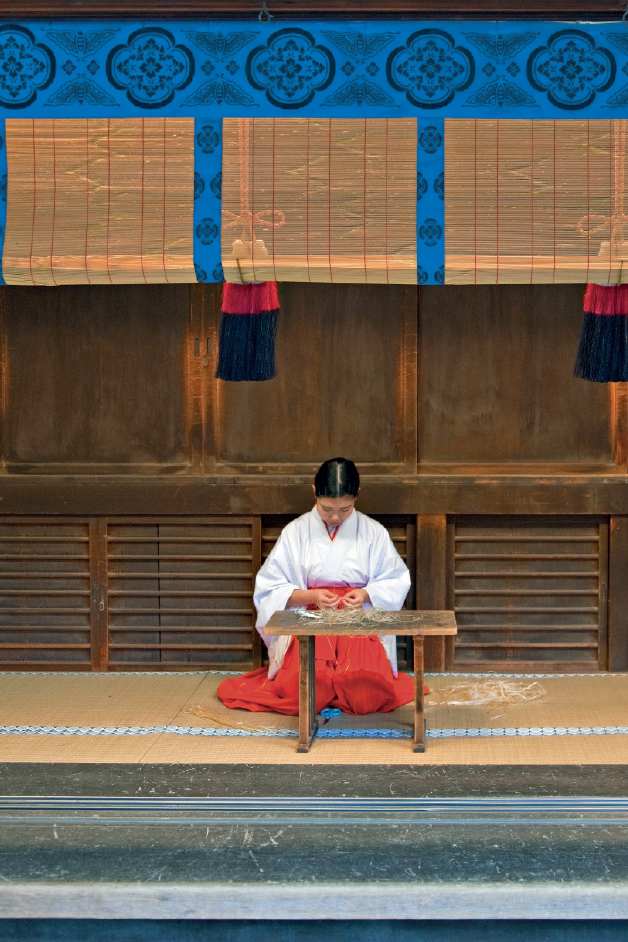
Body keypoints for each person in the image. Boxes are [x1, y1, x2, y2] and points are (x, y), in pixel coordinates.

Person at [217, 457, 419, 717]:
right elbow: (270, 586)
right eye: (327, 509)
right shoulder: (295, 532)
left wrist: (367, 594)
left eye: (344, 510)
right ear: (314, 493)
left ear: (357, 495)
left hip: (356, 620)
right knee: (307, 692)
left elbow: (395, 580)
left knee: (365, 696)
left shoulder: (373, 532)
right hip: (309, 619)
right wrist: (310, 596)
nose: (335, 516)